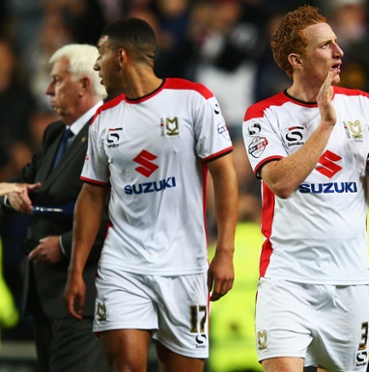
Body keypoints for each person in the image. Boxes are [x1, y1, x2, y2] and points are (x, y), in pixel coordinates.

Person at [63, 17, 238, 372]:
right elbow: (92, 195)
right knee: (126, 366)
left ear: (122, 56)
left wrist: (225, 251)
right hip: (123, 265)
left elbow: (224, 174)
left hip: (184, 266)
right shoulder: (104, 120)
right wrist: (76, 269)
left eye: (102, 53)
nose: (97, 64)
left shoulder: (193, 100)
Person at [241, 5, 369, 371]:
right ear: (297, 60)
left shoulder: (361, 105)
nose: (339, 52)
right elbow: (280, 182)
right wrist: (326, 124)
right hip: (287, 281)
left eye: (337, 43)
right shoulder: (264, 115)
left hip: (349, 283)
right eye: (326, 46)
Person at [1, 44, 109, 372]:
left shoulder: (111, 133)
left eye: (57, 81)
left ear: (84, 86)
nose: (48, 90)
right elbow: (18, 183)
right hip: (46, 299)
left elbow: (122, 215)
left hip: (85, 299)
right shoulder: (54, 134)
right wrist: (10, 196)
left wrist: (63, 246)